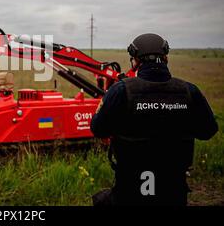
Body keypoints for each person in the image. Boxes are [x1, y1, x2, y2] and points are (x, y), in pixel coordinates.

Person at [91, 33, 218, 206]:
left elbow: (98, 129)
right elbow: (208, 131)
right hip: (174, 189)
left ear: (134, 61)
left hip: (129, 188)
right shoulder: (190, 91)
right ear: (166, 57)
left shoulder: (121, 90)